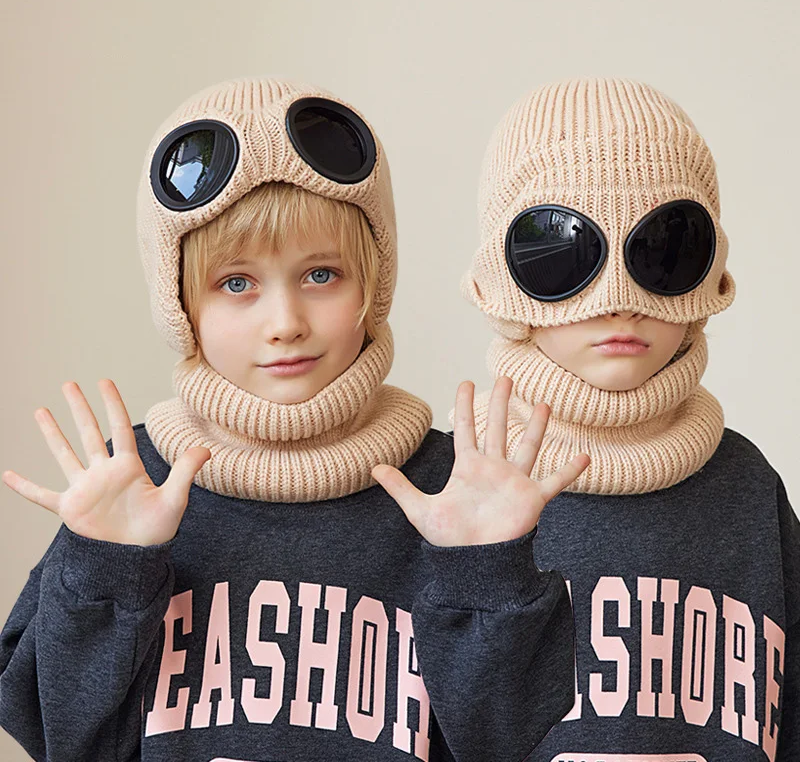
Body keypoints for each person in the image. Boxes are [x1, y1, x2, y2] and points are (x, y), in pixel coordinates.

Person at [0, 77, 590, 762]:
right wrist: (105, 567)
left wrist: (487, 572)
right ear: (180, 306)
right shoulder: (133, 487)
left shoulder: (450, 492)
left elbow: (509, 741)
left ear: (374, 284)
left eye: (320, 276)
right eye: (237, 284)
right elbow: (58, 737)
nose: (285, 324)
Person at [460, 76, 800, 759]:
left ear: (711, 273)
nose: (619, 299)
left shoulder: (748, 491)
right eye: (561, 253)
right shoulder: (458, 489)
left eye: (664, 249)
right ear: (500, 279)